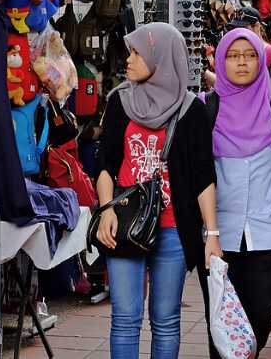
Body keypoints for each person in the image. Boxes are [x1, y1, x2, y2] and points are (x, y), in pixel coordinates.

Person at [96, 22, 221, 359]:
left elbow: (203, 178)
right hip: (124, 223)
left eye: (138, 52)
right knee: (124, 318)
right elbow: (105, 165)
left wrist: (211, 235)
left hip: (173, 230)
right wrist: (106, 210)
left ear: (161, 57)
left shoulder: (191, 110)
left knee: (165, 320)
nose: (129, 59)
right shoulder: (121, 101)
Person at [208, 28, 271, 355]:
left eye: (251, 55)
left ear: (262, 60)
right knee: (222, 320)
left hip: (267, 235)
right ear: (221, 61)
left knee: (262, 315)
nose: (242, 63)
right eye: (234, 56)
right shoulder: (205, 108)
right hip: (220, 236)